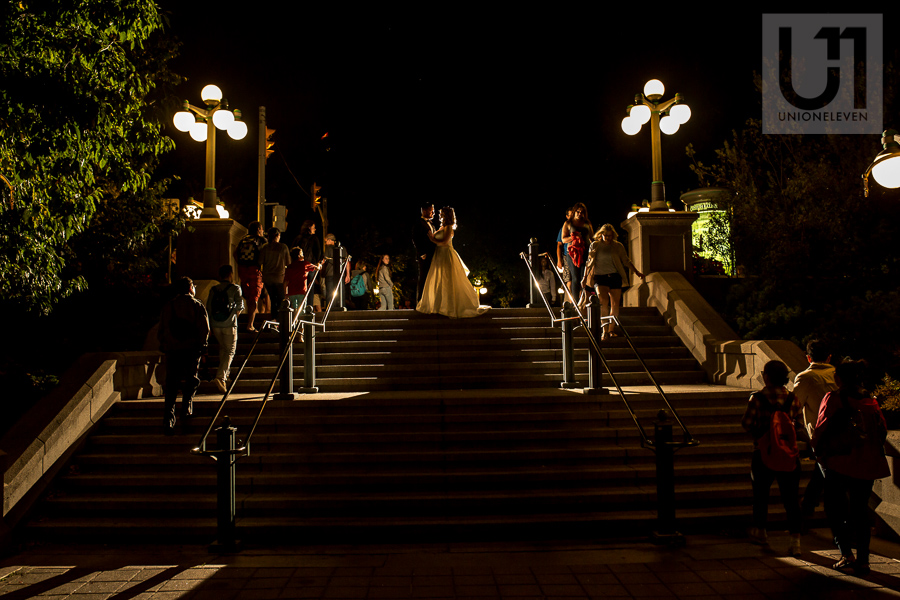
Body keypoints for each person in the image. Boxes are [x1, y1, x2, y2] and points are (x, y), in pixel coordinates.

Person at [812, 359, 890, 576]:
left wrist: (817, 451)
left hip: (840, 462)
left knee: (835, 509)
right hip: (867, 463)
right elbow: (881, 429)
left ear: (839, 378)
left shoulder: (834, 398)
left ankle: (846, 554)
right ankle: (864, 560)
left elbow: (821, 428)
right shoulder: (870, 400)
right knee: (860, 511)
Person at [741, 360, 803, 556]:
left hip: (763, 453)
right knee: (791, 498)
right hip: (787, 453)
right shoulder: (793, 398)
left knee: (760, 495)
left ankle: (761, 532)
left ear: (766, 376)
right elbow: (799, 426)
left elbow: (747, 423)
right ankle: (795, 540)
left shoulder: (757, 398)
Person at [416, 207, 490, 319]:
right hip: (439, 256)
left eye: (441, 214)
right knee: (438, 280)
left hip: (446, 255)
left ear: (447, 215)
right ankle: (439, 305)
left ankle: (450, 307)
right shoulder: (442, 226)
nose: (439, 215)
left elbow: (445, 242)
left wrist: (433, 240)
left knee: (448, 280)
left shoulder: (449, 227)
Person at [158, 277, 209, 435]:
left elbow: (163, 328)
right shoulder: (197, 305)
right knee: (191, 378)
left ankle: (169, 417)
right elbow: (204, 329)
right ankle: (186, 407)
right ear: (190, 288)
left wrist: (166, 344)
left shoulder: (169, 306)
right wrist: (203, 347)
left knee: (171, 382)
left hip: (173, 349)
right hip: (191, 349)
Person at [793, 339, 836, 516]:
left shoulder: (805, 377)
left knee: (829, 476)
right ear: (829, 357)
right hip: (843, 432)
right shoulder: (838, 374)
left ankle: (808, 509)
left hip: (820, 434)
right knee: (823, 472)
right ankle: (808, 505)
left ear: (808, 358)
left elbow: (794, 405)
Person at [582, 224, 644, 340]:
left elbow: (626, 261)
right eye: (605, 235)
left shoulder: (618, 246)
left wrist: (637, 272)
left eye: (610, 236)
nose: (608, 238)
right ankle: (604, 330)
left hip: (615, 276)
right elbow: (589, 262)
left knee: (615, 304)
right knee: (602, 301)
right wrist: (584, 277)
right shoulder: (595, 245)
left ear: (613, 235)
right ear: (601, 235)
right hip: (600, 277)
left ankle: (611, 330)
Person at [206, 265, 244, 394]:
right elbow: (240, 305)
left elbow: (209, 308)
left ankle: (225, 375)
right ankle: (221, 376)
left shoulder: (213, 289)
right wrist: (234, 317)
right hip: (229, 324)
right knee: (230, 350)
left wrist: (210, 325)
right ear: (230, 274)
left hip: (215, 325)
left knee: (223, 348)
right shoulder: (235, 288)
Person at [234, 221, 266, 332]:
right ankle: (250, 324)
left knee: (247, 296)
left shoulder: (243, 240)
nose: (262, 231)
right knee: (254, 296)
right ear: (258, 229)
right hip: (254, 270)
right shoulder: (260, 240)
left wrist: (240, 264)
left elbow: (235, 253)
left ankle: (243, 320)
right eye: (261, 229)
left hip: (242, 269)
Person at [560, 203, 593, 304]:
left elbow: (592, 237)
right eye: (578, 212)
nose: (580, 214)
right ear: (574, 212)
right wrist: (574, 237)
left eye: (582, 212)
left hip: (586, 251)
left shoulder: (587, 223)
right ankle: (576, 302)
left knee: (585, 276)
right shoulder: (568, 223)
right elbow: (563, 239)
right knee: (575, 277)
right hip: (573, 253)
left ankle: (584, 301)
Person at [284, 247, 323, 321]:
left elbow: (286, 281)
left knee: (293, 309)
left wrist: (285, 293)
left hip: (291, 291)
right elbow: (317, 268)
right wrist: (320, 265)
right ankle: (300, 327)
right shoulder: (304, 264)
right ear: (299, 255)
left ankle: (293, 324)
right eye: (302, 253)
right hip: (301, 291)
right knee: (301, 309)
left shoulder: (289, 267)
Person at [261, 227, 291, 313]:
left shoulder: (265, 247)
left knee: (272, 298)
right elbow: (288, 263)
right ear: (278, 235)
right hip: (279, 277)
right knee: (281, 299)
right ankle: (280, 320)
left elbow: (260, 261)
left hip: (267, 278)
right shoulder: (283, 247)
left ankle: (274, 318)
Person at [412, 202, 436, 303]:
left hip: (433, 255)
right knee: (423, 277)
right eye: (431, 211)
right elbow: (415, 239)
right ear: (424, 211)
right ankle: (420, 301)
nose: (433, 213)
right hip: (425, 256)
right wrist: (421, 253)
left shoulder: (431, 224)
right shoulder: (419, 223)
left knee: (431, 278)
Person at [292, 220, 322, 295]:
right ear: (309, 228)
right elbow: (318, 252)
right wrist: (316, 262)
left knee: (299, 286)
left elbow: (293, 250)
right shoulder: (314, 238)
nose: (315, 229)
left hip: (299, 266)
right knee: (310, 287)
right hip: (310, 265)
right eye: (313, 227)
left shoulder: (298, 238)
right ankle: (309, 304)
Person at [322, 233, 350, 310]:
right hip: (341, 274)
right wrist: (347, 275)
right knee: (341, 294)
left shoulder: (328, 249)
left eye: (325, 241)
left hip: (330, 274)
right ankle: (342, 308)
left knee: (330, 294)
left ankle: (330, 310)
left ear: (330, 240)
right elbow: (347, 261)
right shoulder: (343, 249)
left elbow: (324, 261)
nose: (325, 243)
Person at [556, 207, 573, 297]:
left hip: (579, 255)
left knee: (577, 279)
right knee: (568, 279)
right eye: (570, 215)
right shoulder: (563, 228)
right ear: (567, 216)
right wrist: (559, 260)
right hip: (567, 255)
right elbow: (559, 245)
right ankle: (572, 301)